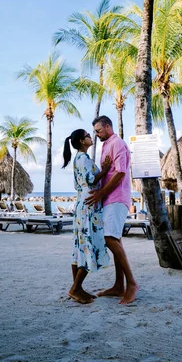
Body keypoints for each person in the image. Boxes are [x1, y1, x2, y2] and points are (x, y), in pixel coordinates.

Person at [85, 116, 139, 305]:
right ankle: (118, 286)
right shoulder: (106, 145)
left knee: (109, 239)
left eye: (99, 130)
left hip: (117, 198)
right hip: (109, 199)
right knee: (115, 240)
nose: (97, 134)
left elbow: (121, 172)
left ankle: (131, 284)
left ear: (108, 127)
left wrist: (100, 194)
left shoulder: (117, 143)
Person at [62, 129, 111, 304]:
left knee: (80, 246)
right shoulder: (83, 158)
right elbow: (91, 179)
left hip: (83, 203)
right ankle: (75, 288)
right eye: (88, 136)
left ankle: (78, 288)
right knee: (88, 244)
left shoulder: (80, 158)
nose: (92, 137)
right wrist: (105, 170)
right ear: (83, 141)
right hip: (89, 204)